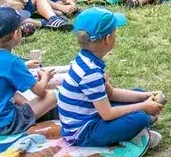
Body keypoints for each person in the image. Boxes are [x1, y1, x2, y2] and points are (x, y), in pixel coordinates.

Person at [59, 8, 163, 149]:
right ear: (108, 39)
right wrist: (143, 106)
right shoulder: (90, 73)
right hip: (84, 132)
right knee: (140, 118)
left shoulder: (87, 60)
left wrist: (143, 96)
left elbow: (111, 94)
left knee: (138, 94)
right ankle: (135, 135)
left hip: (93, 116)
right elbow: (107, 114)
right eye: (114, 32)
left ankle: (137, 123)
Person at [0, 6, 58, 135]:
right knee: (51, 96)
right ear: (16, 34)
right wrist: (45, 77)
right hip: (4, 124)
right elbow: (39, 91)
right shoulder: (12, 62)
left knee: (16, 97)